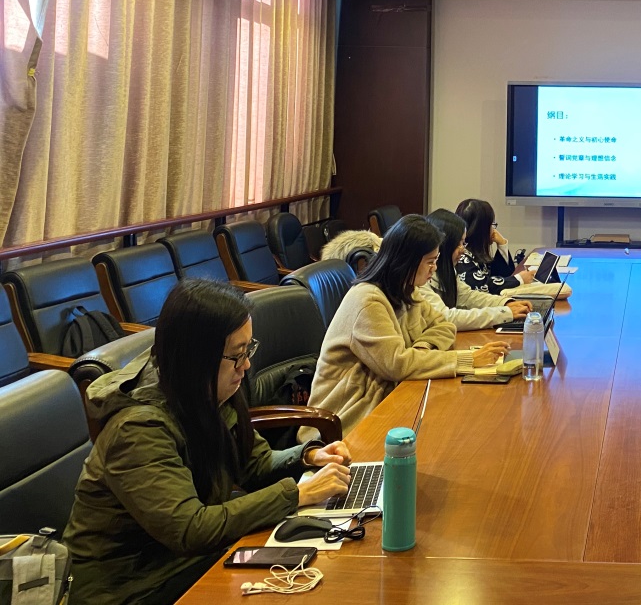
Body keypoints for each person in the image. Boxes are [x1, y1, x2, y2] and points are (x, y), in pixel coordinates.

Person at [64, 280, 354, 605]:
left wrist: (308, 456)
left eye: (248, 350)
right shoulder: (138, 428)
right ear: (197, 357)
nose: (246, 365)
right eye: (237, 355)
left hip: (184, 564)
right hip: (130, 588)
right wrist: (299, 494)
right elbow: (190, 529)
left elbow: (254, 464)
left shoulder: (205, 389)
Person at [308, 215, 508, 434]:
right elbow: (397, 365)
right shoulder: (368, 300)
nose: (434, 268)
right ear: (407, 261)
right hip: (350, 416)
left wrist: (421, 348)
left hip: (389, 396)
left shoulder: (407, 289)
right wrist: (468, 360)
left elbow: (443, 325)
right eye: (430, 261)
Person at [420, 209, 533, 330]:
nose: (463, 249)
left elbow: (467, 296)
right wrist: (503, 313)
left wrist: (505, 303)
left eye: (463, 243)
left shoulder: (447, 269)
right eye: (458, 244)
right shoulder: (420, 279)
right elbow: (446, 317)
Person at [455, 197, 538, 295]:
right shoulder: (460, 256)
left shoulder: (475, 253)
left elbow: (501, 275)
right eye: (491, 225)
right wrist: (519, 279)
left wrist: (502, 245)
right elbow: (481, 286)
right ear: (482, 229)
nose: (493, 230)